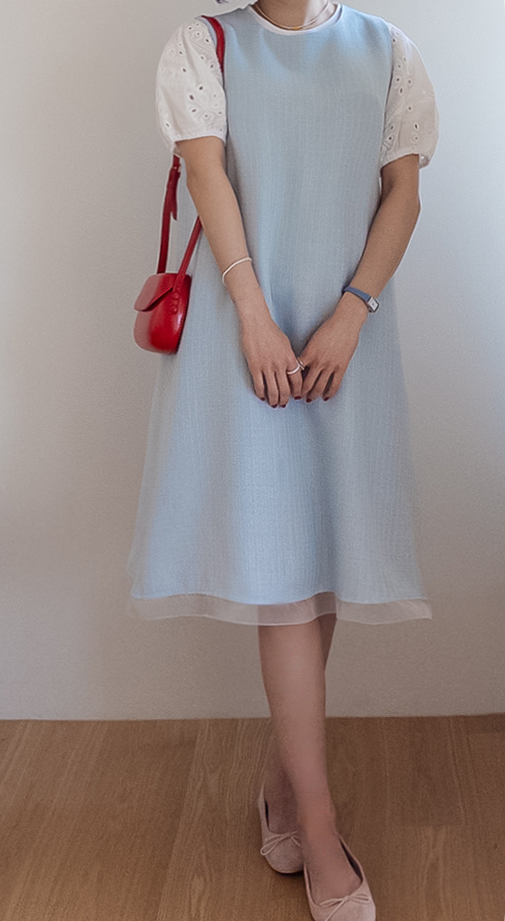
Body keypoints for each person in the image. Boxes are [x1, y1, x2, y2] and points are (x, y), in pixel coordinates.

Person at [125, 2, 439, 918]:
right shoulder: (205, 46)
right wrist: (254, 316)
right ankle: (320, 826)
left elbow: (404, 194)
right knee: (282, 579)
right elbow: (207, 179)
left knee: (320, 561)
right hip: (246, 334)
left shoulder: (389, 51)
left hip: (348, 331)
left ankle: (282, 781)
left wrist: (351, 314)